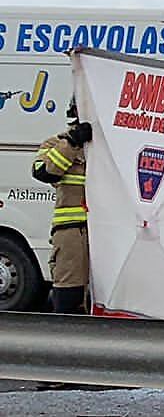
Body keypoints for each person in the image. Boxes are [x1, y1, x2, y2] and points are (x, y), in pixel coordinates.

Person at [31, 101, 91, 314]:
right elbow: (44, 172)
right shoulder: (58, 143)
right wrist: (73, 142)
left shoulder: (110, 145)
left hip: (109, 232)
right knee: (70, 299)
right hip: (72, 234)